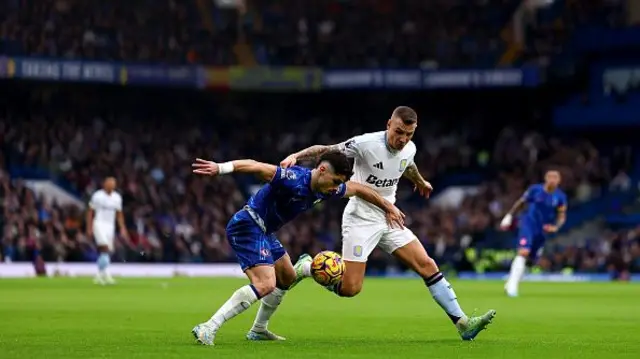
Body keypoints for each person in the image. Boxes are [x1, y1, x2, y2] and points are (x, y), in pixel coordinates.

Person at [247, 106, 495, 341]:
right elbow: (327, 149)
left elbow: (407, 164)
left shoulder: (409, 148)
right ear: (389, 124)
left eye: (408, 134)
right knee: (350, 288)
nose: (402, 139)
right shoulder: (366, 143)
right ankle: (307, 267)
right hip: (360, 219)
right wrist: (296, 156)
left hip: (389, 218)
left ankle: (462, 323)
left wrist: (419, 180)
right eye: (398, 132)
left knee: (427, 264)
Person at [190, 151, 405, 346]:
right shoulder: (292, 178)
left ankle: (258, 329)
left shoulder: (327, 190)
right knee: (265, 284)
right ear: (322, 170)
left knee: (286, 278)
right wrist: (220, 168)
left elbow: (358, 189)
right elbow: (255, 165)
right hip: (247, 225)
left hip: (265, 231)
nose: (335, 187)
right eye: (335, 181)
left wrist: (388, 206)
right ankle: (209, 327)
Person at [500, 170, 568, 297]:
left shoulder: (560, 197)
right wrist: (509, 215)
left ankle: (510, 282)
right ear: (545, 178)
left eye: (555, 177)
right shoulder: (535, 190)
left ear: (559, 181)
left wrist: (556, 227)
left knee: (531, 261)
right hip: (528, 224)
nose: (552, 180)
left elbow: (561, 216)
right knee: (523, 252)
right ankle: (512, 288)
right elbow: (521, 203)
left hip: (542, 230)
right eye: (550, 177)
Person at [86, 177, 128, 285]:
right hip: (99, 223)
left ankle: (103, 274)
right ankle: (101, 275)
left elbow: (119, 214)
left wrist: (122, 228)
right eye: (109, 184)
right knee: (104, 248)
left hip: (110, 226)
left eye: (113, 184)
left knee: (107, 251)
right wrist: (89, 228)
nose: (111, 186)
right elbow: (90, 212)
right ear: (104, 184)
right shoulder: (97, 196)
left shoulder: (117, 198)